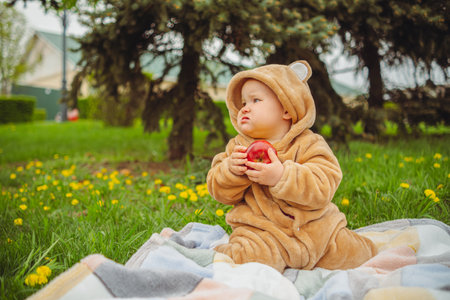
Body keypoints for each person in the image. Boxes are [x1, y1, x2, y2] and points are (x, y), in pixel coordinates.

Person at [207, 61, 377, 273]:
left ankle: (387, 259)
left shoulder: (309, 144)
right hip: (262, 233)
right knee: (251, 258)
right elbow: (218, 190)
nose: (245, 108)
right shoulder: (238, 148)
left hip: (317, 232)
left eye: (255, 100)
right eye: (242, 103)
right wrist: (230, 172)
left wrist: (282, 176)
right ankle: (217, 255)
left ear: (287, 109)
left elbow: (324, 185)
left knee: (357, 253)